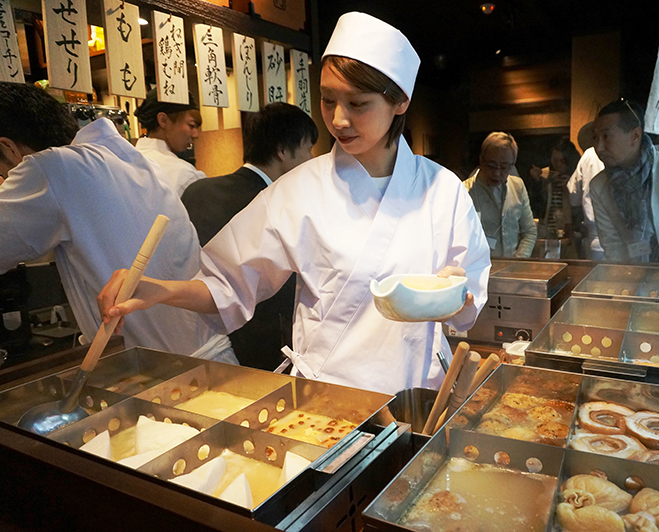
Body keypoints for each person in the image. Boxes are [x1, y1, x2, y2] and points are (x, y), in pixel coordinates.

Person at [98, 12, 491, 394]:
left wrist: (457, 294)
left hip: (418, 393)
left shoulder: (443, 190)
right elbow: (227, 283)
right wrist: (161, 290)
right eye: (327, 100)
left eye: (357, 104)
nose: (338, 120)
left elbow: (467, 298)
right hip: (328, 398)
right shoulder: (298, 189)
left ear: (400, 102)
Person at [0, 82, 235, 363]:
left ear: (8, 148)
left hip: (162, 372)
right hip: (208, 359)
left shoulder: (50, 168)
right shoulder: (126, 157)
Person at [180, 103, 319, 370]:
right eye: (308, 149)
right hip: (264, 354)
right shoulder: (285, 206)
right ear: (282, 151)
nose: (312, 160)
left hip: (203, 345)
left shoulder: (197, 190)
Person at [590, 99, 659, 263]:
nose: (599, 147)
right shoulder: (599, 186)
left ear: (635, 136)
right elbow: (612, 245)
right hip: (635, 275)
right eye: (595, 138)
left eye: (606, 136)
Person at [463, 132, 537, 258]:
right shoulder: (465, 191)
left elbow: (529, 232)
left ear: (512, 164)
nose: (497, 173)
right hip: (477, 269)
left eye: (504, 167)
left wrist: (519, 261)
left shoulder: (518, 186)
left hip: (512, 269)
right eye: (491, 166)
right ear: (481, 160)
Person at [134, 89, 206, 196]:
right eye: (191, 125)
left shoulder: (125, 162)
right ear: (163, 120)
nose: (196, 135)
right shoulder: (184, 175)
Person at [567, 122, 606, 260]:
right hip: (627, 238)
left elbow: (573, 195)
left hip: (596, 236)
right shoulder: (624, 154)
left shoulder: (589, 155)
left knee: (598, 279)